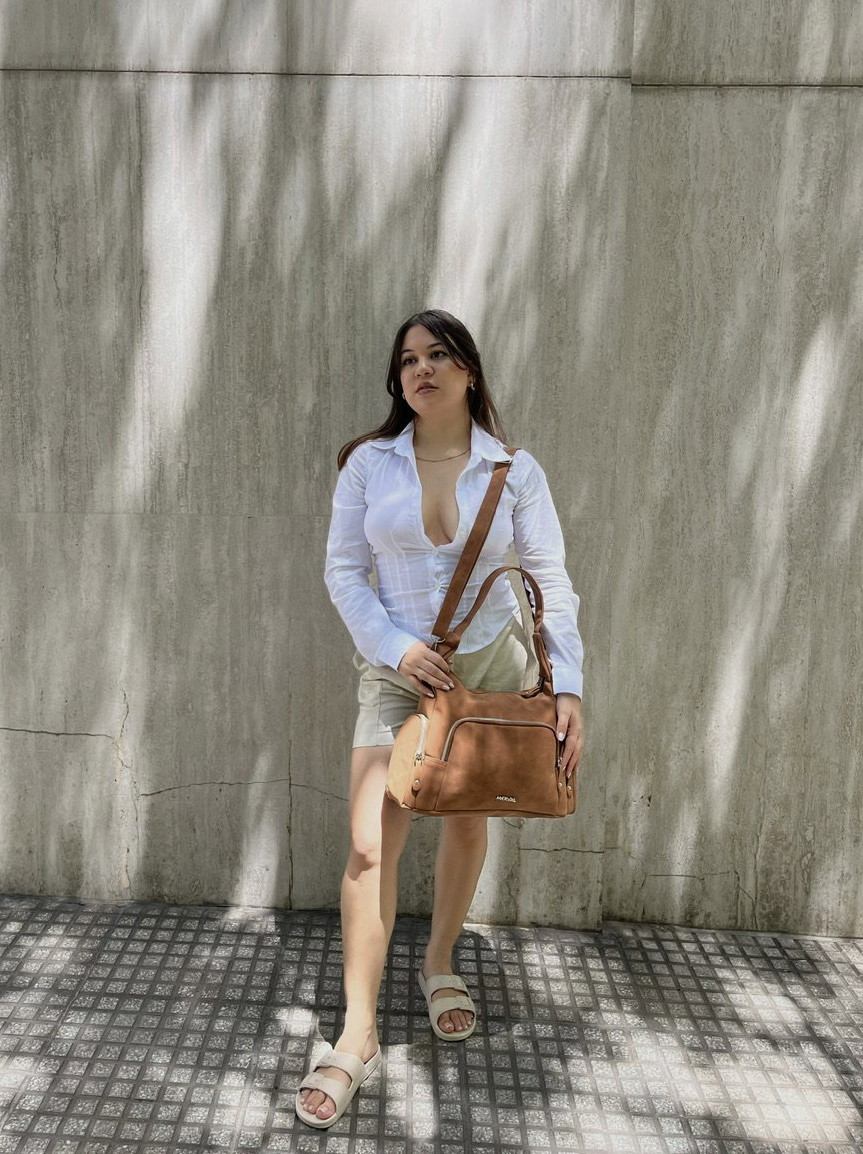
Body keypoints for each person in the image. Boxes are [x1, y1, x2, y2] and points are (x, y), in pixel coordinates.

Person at [296, 309, 585, 1128]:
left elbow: (550, 579)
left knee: (464, 820)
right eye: (407, 360)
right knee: (368, 843)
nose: (420, 369)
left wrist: (568, 686)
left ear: (468, 370)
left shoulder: (514, 470)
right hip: (397, 674)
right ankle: (358, 1032)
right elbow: (343, 571)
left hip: (491, 668)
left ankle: (439, 960)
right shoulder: (368, 464)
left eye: (437, 355)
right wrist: (396, 648)